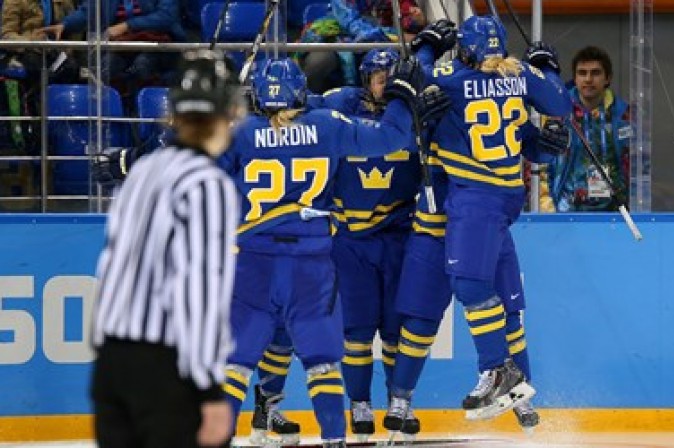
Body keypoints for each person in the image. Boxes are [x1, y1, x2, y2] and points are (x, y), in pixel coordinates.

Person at [217, 56, 448, 448]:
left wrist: (130, 160)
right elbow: (391, 137)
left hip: (255, 260)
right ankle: (335, 440)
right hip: (310, 263)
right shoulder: (325, 125)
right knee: (322, 363)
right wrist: (402, 99)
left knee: (235, 363)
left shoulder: (239, 131)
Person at [409, 16, 571, 420]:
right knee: (504, 297)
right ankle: (523, 394)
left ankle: (496, 369)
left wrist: (426, 43)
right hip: (508, 195)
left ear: (465, 48)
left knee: (469, 283)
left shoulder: (451, 77)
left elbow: (413, 78)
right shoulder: (520, 74)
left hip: (475, 195)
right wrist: (546, 66)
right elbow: (561, 105)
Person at [89, 49, 241, 448]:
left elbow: (110, 268)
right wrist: (208, 391)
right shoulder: (207, 183)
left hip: (112, 365)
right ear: (231, 113)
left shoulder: (141, 172)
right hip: (167, 371)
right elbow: (199, 291)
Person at [318, 48, 422, 442]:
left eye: (393, 75)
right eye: (379, 76)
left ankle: (400, 403)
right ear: (365, 79)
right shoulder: (339, 108)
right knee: (356, 332)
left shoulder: (415, 111)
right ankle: (359, 403)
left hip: (398, 237)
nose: (387, 82)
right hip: (351, 240)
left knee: (397, 331)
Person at [546, 45, 631, 212]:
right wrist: (547, 208)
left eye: (595, 73)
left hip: (616, 214)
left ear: (608, 78)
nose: (588, 79)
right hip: (566, 213)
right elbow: (539, 164)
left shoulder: (625, 116)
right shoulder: (557, 113)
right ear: (575, 78)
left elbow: (639, 166)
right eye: (582, 73)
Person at [40, 0, 185, 97]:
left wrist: (127, 26)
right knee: (106, 68)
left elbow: (166, 16)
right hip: (119, 45)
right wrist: (65, 25)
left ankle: (144, 120)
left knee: (142, 66)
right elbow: (87, 11)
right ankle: (111, 125)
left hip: (156, 45)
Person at [297, 0, 426, 93]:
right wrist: (392, 34)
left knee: (402, 56)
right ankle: (310, 105)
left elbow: (409, 20)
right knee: (320, 61)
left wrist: (416, 19)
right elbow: (355, 26)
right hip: (336, 37)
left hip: (376, 41)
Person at [1, 0, 80, 83]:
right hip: (25, 51)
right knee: (36, 66)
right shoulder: (14, 2)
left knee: (71, 67)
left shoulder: (63, 2)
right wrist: (31, 42)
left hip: (54, 50)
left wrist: (67, 49)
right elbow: (7, 35)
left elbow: (71, 29)